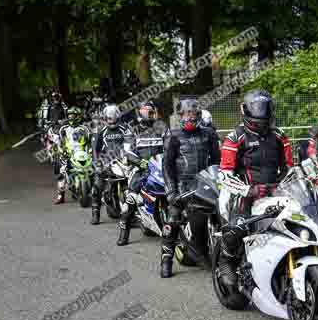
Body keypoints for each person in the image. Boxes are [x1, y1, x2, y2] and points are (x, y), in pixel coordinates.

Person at [215, 90, 293, 288]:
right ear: (246, 111)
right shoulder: (236, 137)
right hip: (243, 193)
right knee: (238, 226)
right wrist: (248, 191)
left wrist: (290, 183)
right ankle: (226, 259)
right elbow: (224, 174)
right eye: (256, 109)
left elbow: (289, 168)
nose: (261, 115)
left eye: (264, 109)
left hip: (274, 191)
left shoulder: (279, 136)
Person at [159, 99, 221, 278]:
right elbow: (167, 165)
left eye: (194, 114)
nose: (191, 118)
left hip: (205, 183)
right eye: (188, 114)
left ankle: (211, 252)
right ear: (181, 115)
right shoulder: (173, 135)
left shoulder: (208, 134)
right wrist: (171, 190)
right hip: (181, 185)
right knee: (172, 219)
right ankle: (166, 259)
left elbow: (217, 161)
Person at [117, 101, 167, 246]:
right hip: (139, 169)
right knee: (131, 199)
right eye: (147, 111)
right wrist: (139, 162)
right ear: (139, 112)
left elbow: (170, 145)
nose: (150, 114)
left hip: (159, 167)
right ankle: (124, 231)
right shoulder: (132, 130)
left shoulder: (160, 128)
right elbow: (126, 151)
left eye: (151, 111)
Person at [91, 104, 134, 225]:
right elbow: (95, 149)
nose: (112, 120)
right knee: (97, 184)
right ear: (105, 118)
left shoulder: (125, 128)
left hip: (123, 160)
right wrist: (97, 163)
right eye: (109, 118)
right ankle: (96, 213)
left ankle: (133, 214)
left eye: (114, 118)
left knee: (134, 184)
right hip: (106, 161)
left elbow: (131, 141)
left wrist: (132, 156)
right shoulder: (100, 130)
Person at [53, 106, 91, 204]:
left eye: (73, 115)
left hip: (82, 154)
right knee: (62, 173)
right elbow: (59, 143)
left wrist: (90, 151)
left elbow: (90, 142)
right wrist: (62, 151)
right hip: (67, 154)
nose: (71, 117)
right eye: (69, 115)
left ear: (78, 116)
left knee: (94, 171)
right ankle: (60, 196)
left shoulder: (84, 128)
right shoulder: (63, 129)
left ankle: (97, 193)